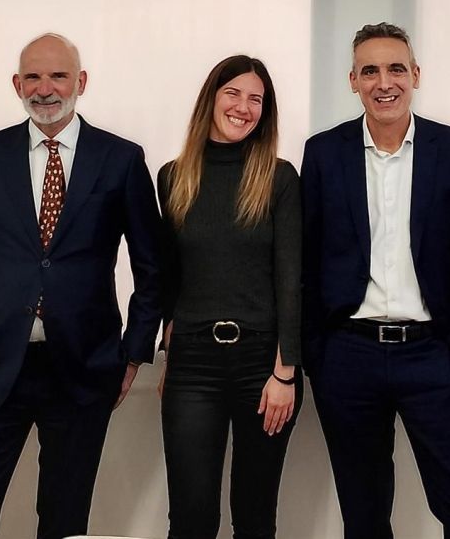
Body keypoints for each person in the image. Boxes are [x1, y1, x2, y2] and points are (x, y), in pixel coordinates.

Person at [0, 33, 164, 539]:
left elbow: (152, 268)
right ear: (17, 84)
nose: (45, 89)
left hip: (83, 370)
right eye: (33, 77)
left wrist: (133, 354)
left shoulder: (121, 159)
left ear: (80, 81)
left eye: (58, 76)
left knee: (64, 523)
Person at [301, 22, 450, 539]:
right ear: (353, 81)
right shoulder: (323, 153)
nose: (383, 82)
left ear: (416, 74)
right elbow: (305, 260)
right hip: (349, 358)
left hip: (433, 355)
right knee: (364, 517)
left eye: (396, 69)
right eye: (369, 71)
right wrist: (319, 354)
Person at [156, 55, 302, 539]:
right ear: (211, 99)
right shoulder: (173, 177)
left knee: (254, 520)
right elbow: (172, 275)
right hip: (193, 366)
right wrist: (171, 349)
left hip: (263, 368)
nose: (243, 107)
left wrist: (285, 372)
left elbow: (291, 279)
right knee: (191, 520)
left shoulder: (279, 179)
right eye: (233, 94)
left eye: (255, 99)